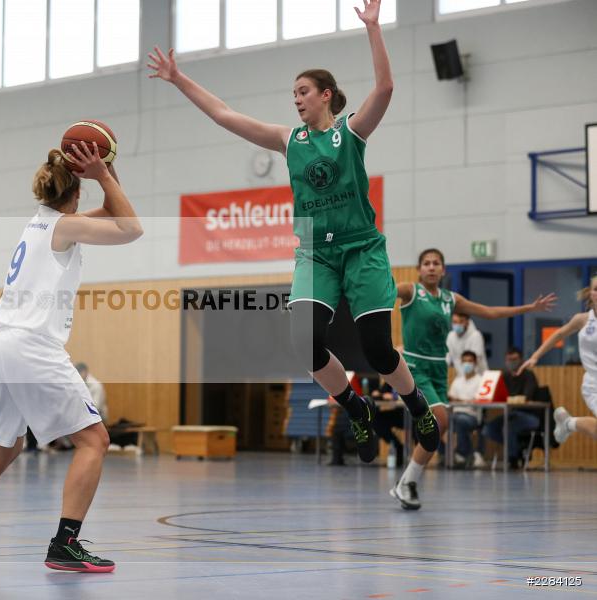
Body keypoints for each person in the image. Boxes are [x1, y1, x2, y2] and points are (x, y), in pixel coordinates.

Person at [148, 0, 442, 463]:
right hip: (315, 253)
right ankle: (354, 406)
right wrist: (179, 78)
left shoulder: (351, 133)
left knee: (378, 349)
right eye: (294, 94)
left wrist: (374, 28)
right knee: (304, 342)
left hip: (361, 248)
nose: (297, 98)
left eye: (304, 91)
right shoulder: (291, 141)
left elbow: (385, 87)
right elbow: (225, 115)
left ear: (326, 95)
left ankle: (416, 404)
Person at [0, 141, 142, 572]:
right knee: (94, 441)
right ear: (75, 191)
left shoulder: (42, 223)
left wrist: (104, 172)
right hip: (30, 345)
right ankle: (66, 543)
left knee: (4, 448)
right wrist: (103, 175)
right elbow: (132, 227)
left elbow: (115, 214)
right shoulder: (65, 227)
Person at [388, 249, 555, 509]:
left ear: (443, 270)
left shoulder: (450, 299)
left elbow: (489, 312)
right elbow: (383, 289)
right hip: (414, 366)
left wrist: (528, 308)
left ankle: (407, 482)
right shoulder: (410, 291)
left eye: (436, 263)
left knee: (437, 428)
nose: (431, 267)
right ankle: (407, 482)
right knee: (440, 420)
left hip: (439, 370)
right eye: (426, 263)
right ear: (419, 269)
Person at [522, 276, 597, 444]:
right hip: (594, 384)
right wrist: (535, 356)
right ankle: (569, 423)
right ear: (590, 294)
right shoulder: (583, 319)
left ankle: (568, 423)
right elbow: (558, 334)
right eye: (596, 289)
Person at [481, 347, 540, 467]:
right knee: (488, 429)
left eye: (515, 359)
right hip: (510, 415)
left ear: (521, 359)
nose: (512, 362)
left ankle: (512, 458)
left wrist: (510, 399)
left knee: (508, 428)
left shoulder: (528, 375)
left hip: (530, 415)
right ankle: (517, 448)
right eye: (509, 359)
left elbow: (526, 397)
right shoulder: (504, 376)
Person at [447, 351, 486, 468]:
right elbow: (450, 399)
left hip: (472, 416)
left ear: (475, 363)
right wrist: (463, 400)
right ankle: (446, 455)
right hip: (455, 413)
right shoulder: (457, 381)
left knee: (459, 420)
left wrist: (458, 400)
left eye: (470, 361)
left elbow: (477, 401)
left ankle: (463, 454)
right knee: (438, 421)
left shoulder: (481, 381)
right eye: (464, 361)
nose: (467, 364)